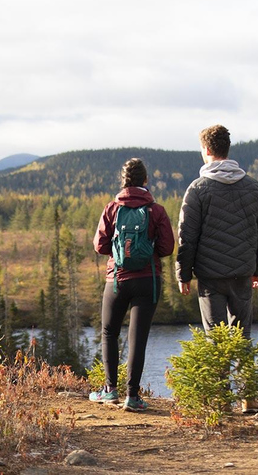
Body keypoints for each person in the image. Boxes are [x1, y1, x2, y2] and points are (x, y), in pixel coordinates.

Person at [175, 124, 258, 413]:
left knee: (214, 336)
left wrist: (183, 274)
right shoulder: (253, 187)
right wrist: (257, 271)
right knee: (242, 335)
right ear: (227, 150)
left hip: (209, 277)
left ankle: (220, 399)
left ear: (206, 151)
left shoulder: (197, 189)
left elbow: (187, 237)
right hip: (242, 273)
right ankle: (249, 398)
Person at [90, 158, 175, 411]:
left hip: (116, 280)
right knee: (138, 338)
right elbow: (167, 247)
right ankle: (133, 396)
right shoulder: (156, 210)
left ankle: (109, 390)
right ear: (145, 181)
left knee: (109, 333)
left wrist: (119, 253)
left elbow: (100, 246)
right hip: (147, 280)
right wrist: (148, 252)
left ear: (123, 181)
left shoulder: (111, 208)